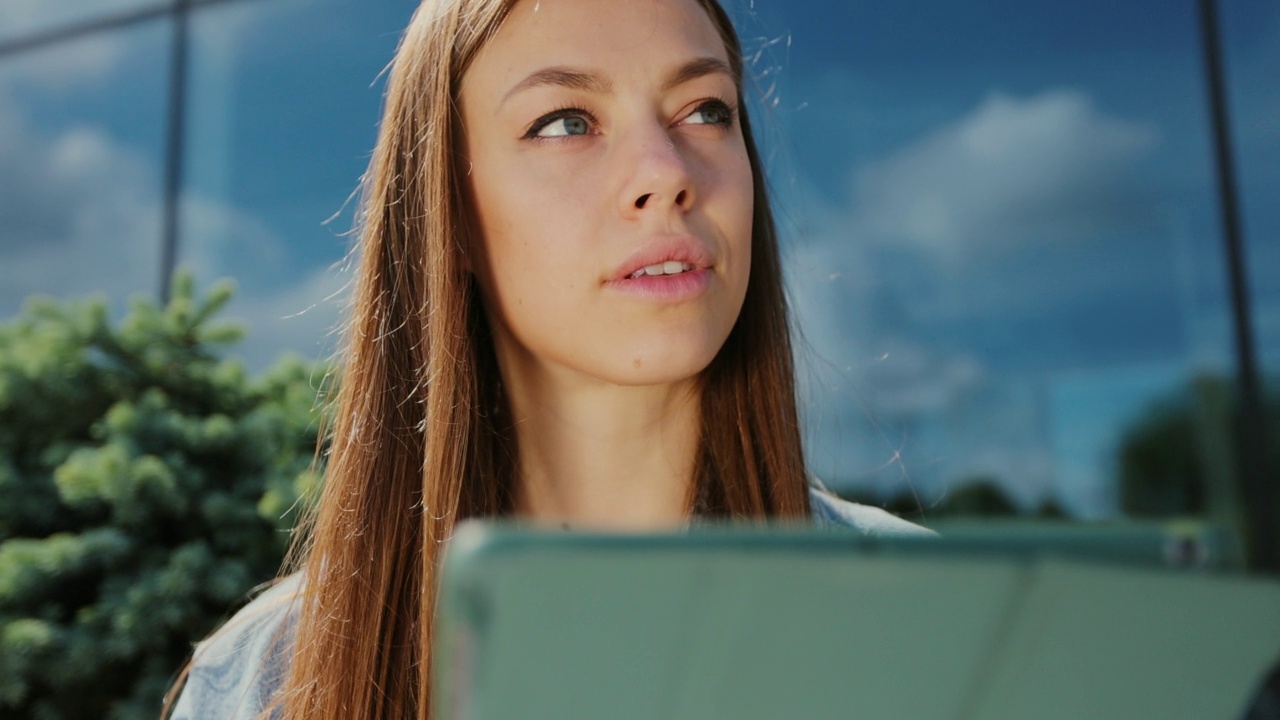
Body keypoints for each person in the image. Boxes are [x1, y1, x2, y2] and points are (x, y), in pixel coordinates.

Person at [165, 0, 930, 717]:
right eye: (566, 122)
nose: (667, 173)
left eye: (706, 111)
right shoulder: (266, 679)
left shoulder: (926, 614)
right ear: (450, 212)